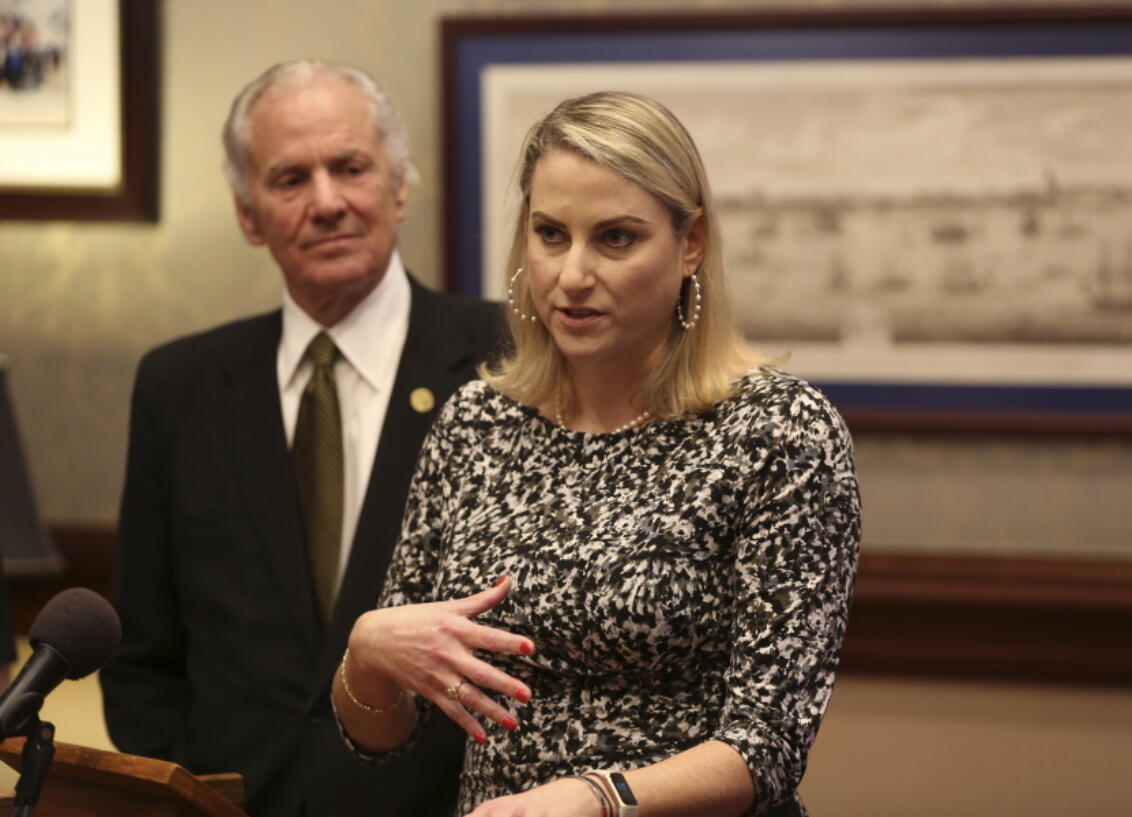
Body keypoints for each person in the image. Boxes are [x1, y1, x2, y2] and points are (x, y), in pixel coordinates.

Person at [332, 91, 861, 817]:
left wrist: (600, 798)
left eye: (615, 238)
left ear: (692, 242)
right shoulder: (477, 422)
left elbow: (766, 743)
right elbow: (383, 736)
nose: (572, 274)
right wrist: (365, 656)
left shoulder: (778, 432)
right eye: (551, 234)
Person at [100, 60, 503, 817]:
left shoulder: (507, 363)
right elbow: (143, 655)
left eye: (350, 166)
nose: (326, 201)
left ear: (399, 185)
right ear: (249, 214)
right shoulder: (179, 386)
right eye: (290, 179)